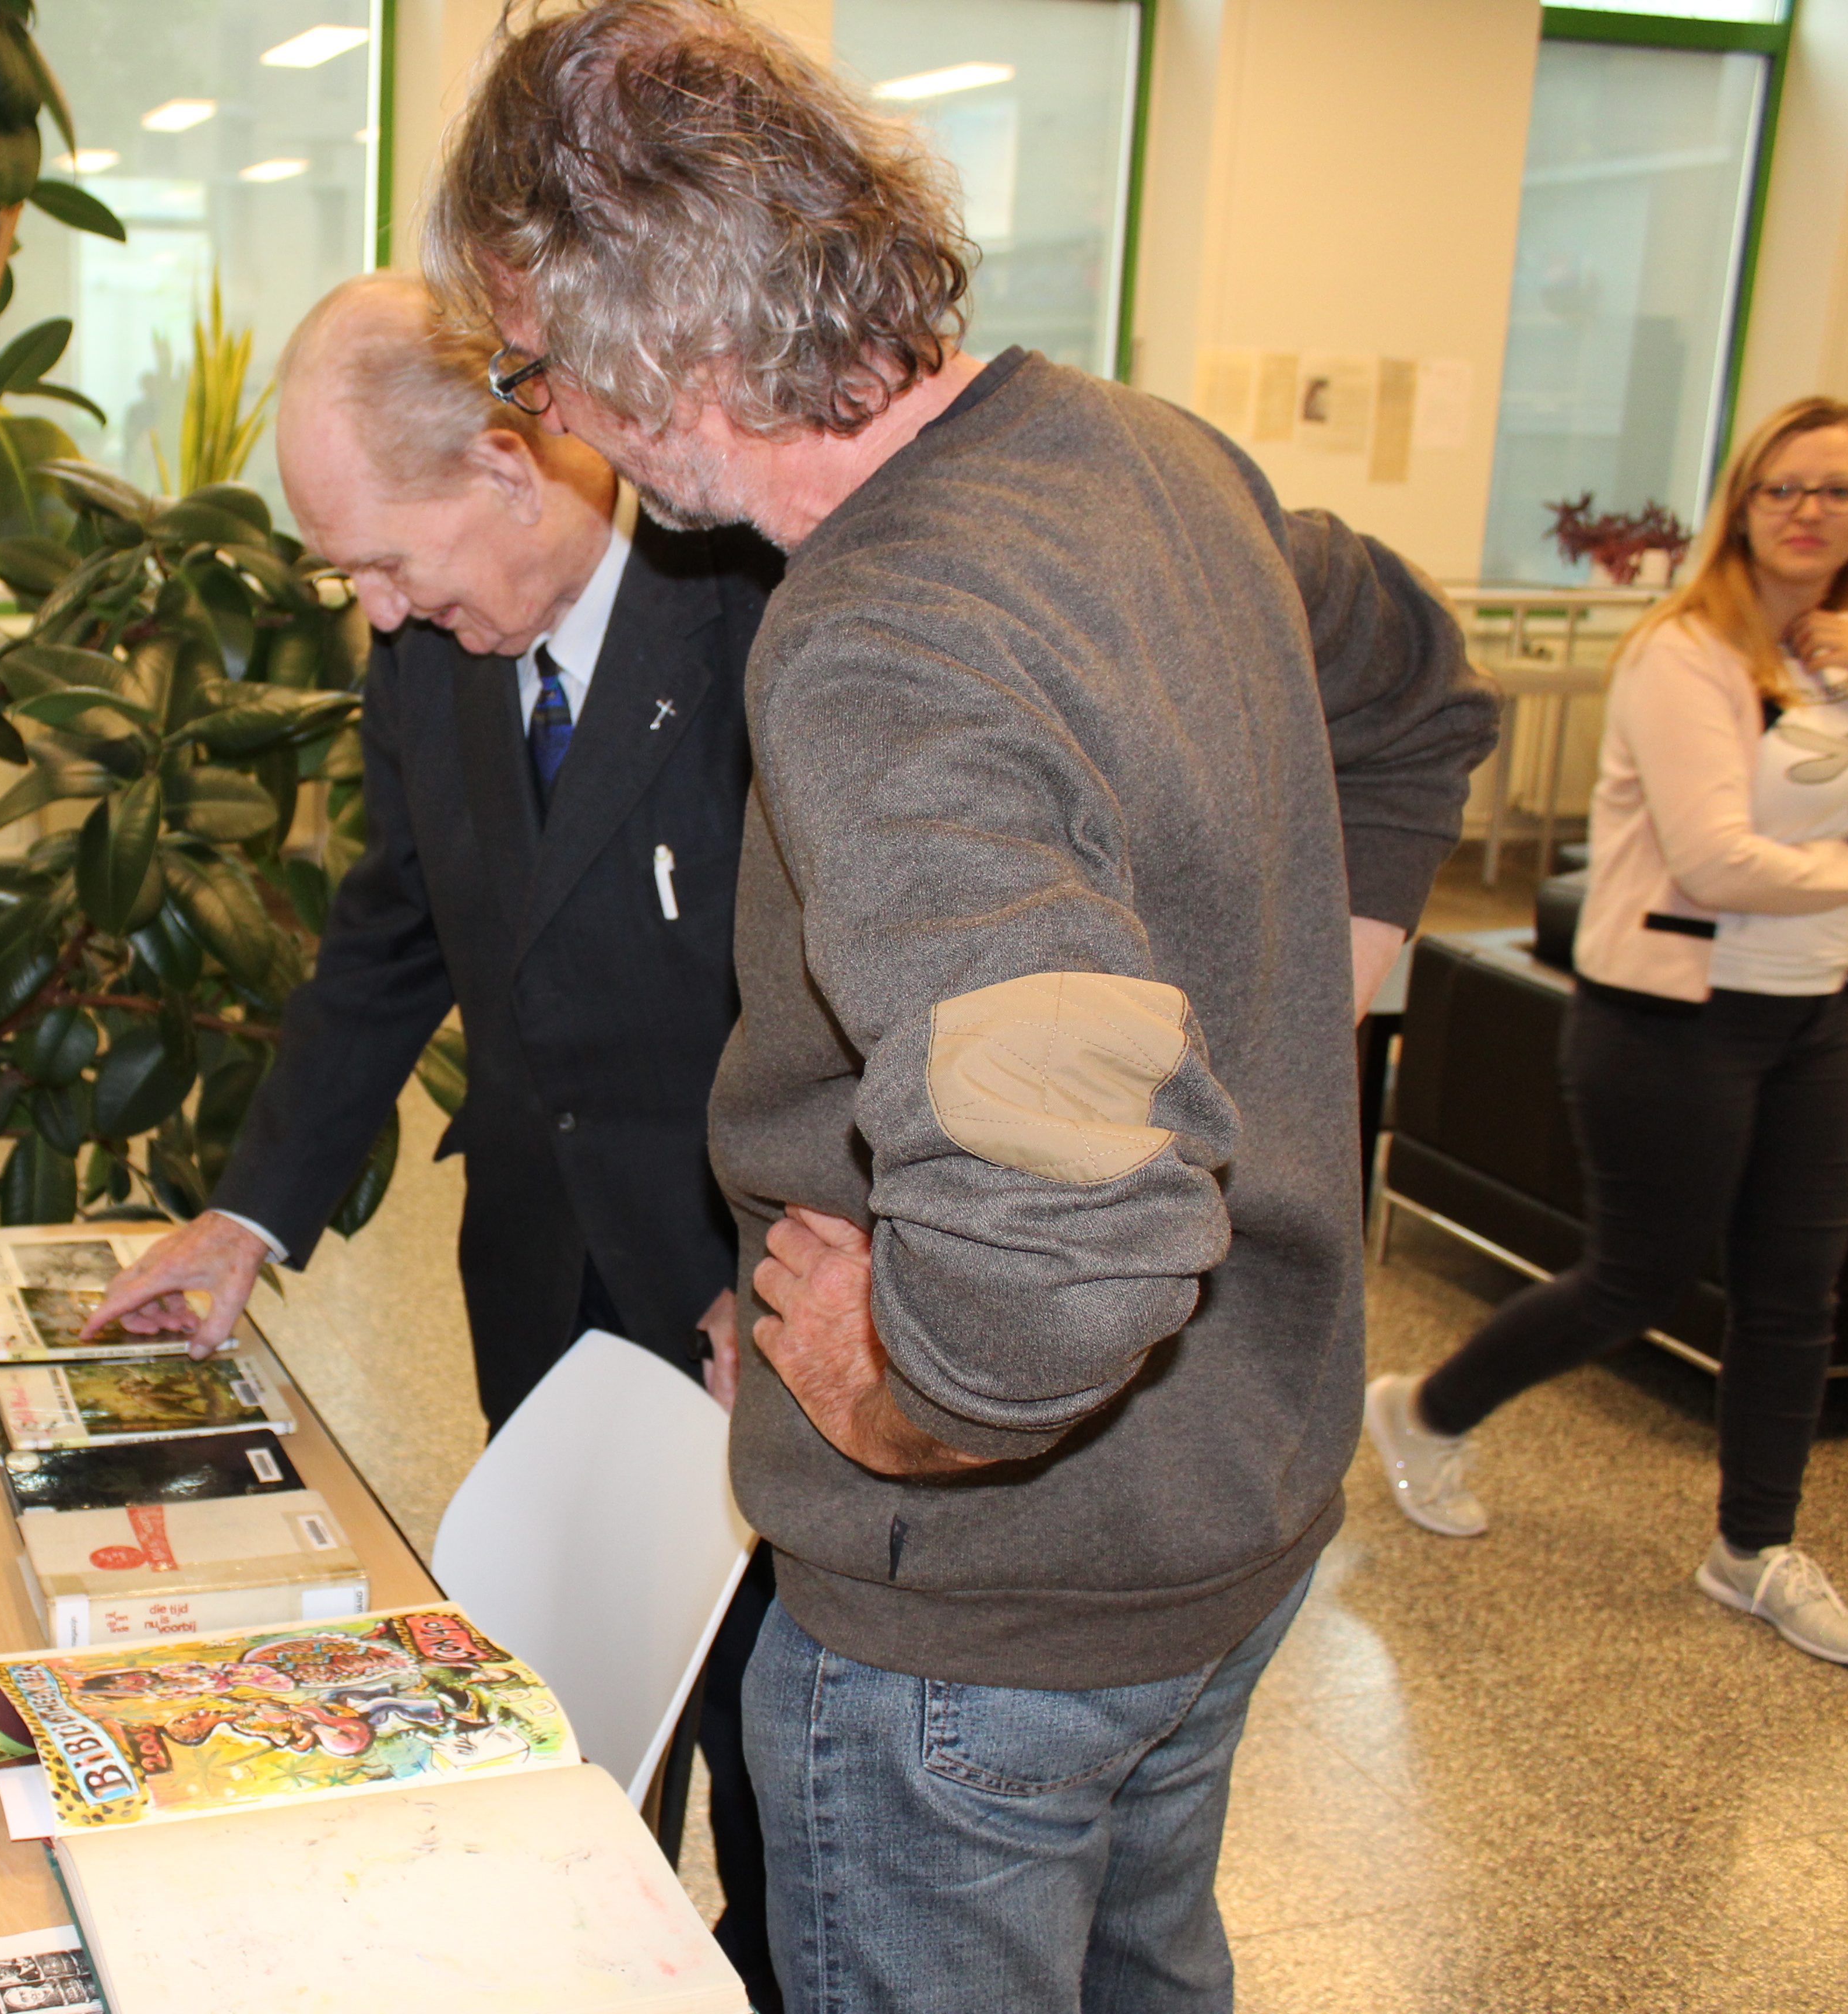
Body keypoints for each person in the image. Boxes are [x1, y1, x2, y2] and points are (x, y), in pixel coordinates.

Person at [422, 6, 1497, 2010]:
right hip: (1226, 1525)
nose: (547, 409)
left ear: (681, 341)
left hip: (980, 1628)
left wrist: (895, 1400)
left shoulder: (876, 641)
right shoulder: (1149, 453)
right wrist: (1303, 998)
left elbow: (1064, 1238)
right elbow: (1415, 675)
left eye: (538, 356)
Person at [86, 271, 792, 2004]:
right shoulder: (436, 657)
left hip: (754, 1310)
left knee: (781, 1775)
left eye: (384, 563)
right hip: (542, 1282)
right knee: (567, 1731)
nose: (380, 616)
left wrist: (787, 1266)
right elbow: (393, 933)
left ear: (510, 457)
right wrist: (249, 1217)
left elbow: (847, 986)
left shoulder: (763, 614)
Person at [1367, 397, 1848, 1664]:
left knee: (1794, 1297)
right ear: (1741, 506)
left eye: (1840, 491)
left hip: (1816, 1006)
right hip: (1671, 1016)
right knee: (1636, 1279)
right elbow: (1714, 860)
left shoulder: (1842, 652)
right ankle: (1424, 1409)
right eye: (1785, 488)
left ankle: (1753, 1548)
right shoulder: (1680, 653)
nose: (1811, 514)